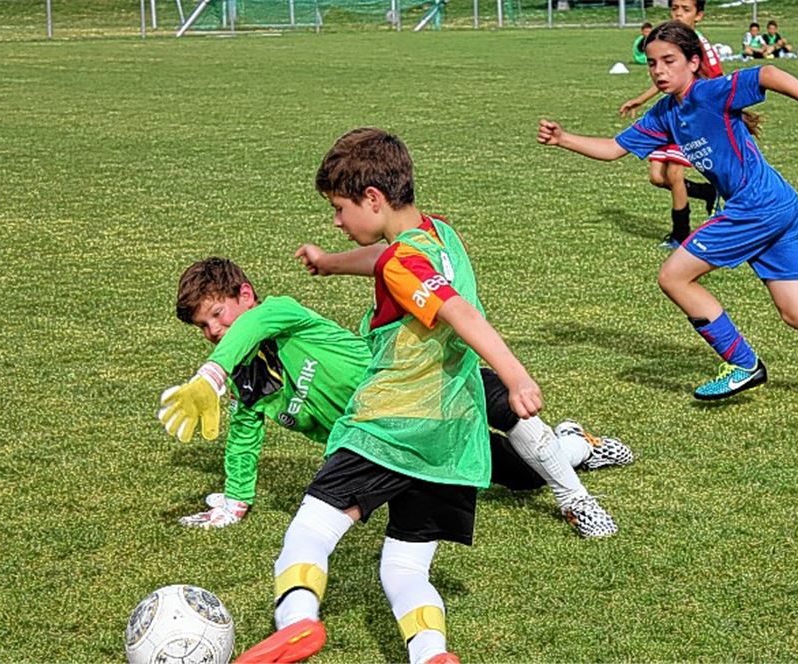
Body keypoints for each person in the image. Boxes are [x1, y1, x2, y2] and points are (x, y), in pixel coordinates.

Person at [159, 127, 541, 664]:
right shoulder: (438, 235)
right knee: (404, 569)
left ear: (373, 199)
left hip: (387, 426)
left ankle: (298, 623)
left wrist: (516, 374)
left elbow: (456, 309)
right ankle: (432, 655)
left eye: (339, 209)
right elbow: (390, 261)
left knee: (308, 535)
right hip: (451, 437)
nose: (336, 220)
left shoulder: (398, 265)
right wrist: (333, 262)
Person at [537, 21, 798, 413]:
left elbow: (768, 73)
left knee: (673, 276)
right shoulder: (666, 112)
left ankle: (742, 364)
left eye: (669, 60)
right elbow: (615, 148)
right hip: (778, 204)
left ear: (694, 62)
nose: (660, 71)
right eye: (652, 64)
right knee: (796, 311)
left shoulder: (709, 92)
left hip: (756, 208)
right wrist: (564, 139)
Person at [167, 257, 630, 538]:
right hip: (402, 442)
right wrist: (235, 501)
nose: (214, 332)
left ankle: (577, 493)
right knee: (519, 475)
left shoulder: (278, 313)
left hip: (425, 383)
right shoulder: (249, 382)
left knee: (507, 406)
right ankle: (577, 443)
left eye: (217, 315)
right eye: (204, 328)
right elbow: (243, 440)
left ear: (245, 295)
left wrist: (211, 373)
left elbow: (252, 326)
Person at [617, 0, 720, 249]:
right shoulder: (672, 41)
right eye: (675, 9)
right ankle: (707, 192)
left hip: (690, 120)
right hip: (670, 116)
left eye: (686, 10)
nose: (678, 14)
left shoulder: (700, 46)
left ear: (699, 15)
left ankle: (680, 234)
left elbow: (718, 83)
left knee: (674, 174)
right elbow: (665, 76)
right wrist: (639, 100)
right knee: (656, 177)